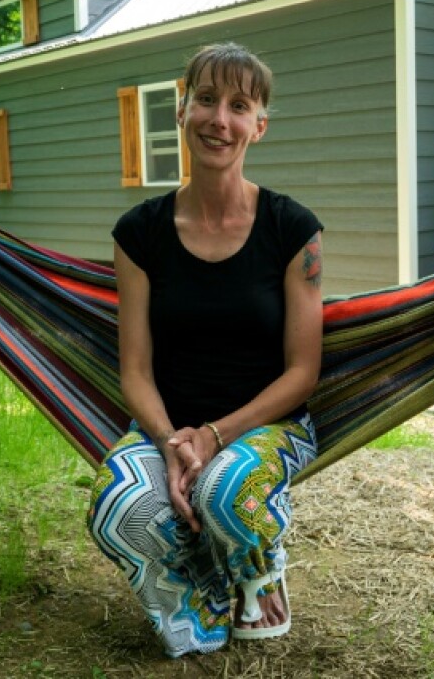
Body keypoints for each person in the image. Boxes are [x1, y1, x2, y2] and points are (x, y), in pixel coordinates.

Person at [87, 43, 324, 658]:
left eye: (239, 106)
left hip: (269, 424)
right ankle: (202, 593)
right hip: (165, 425)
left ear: (259, 125)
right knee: (118, 507)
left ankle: (259, 569)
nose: (221, 119)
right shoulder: (139, 232)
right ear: (182, 109)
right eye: (207, 100)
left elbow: (303, 372)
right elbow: (134, 370)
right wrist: (171, 441)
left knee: (224, 493)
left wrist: (214, 436)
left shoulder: (291, 229)